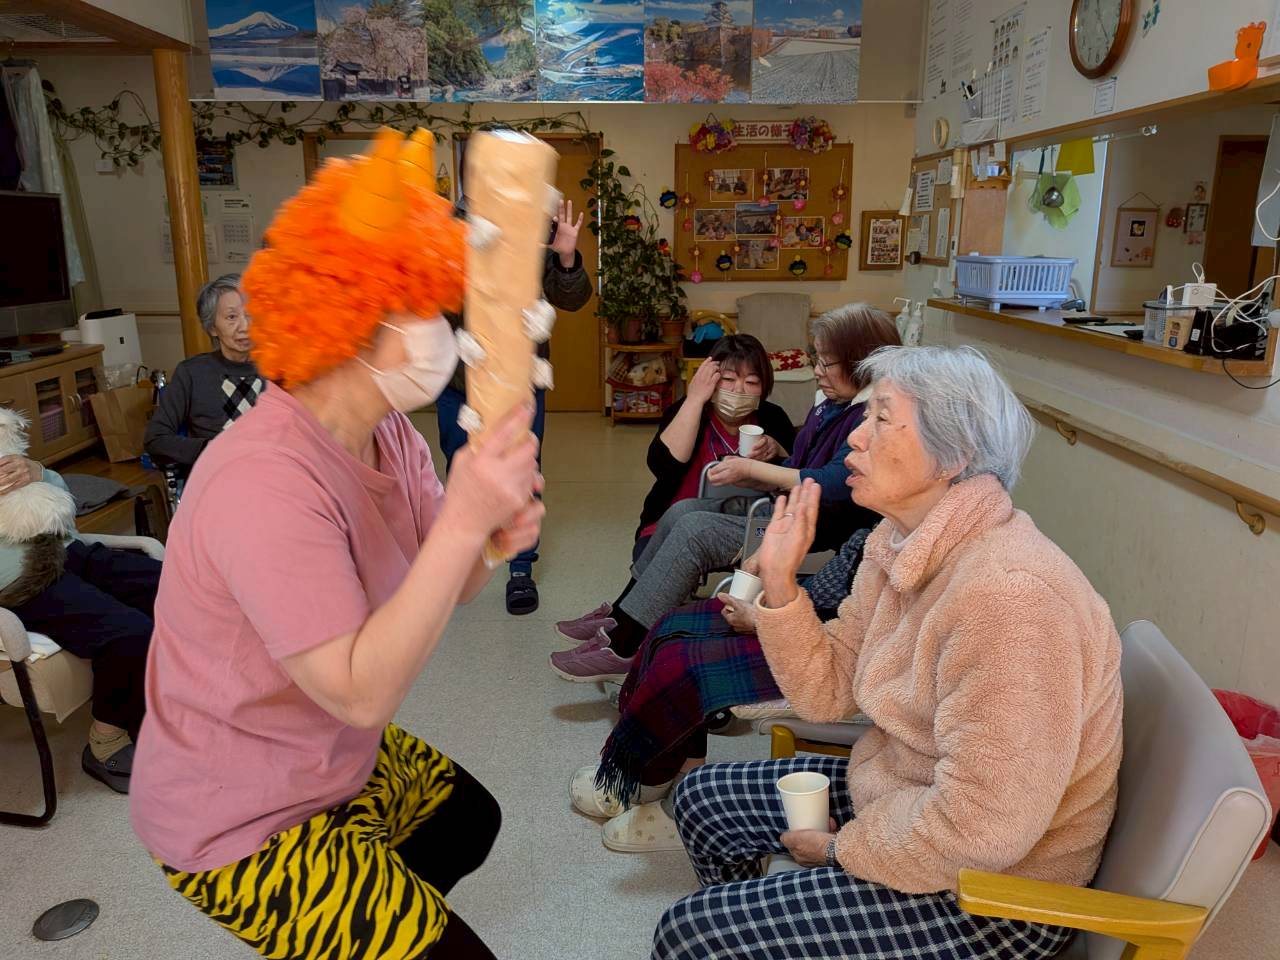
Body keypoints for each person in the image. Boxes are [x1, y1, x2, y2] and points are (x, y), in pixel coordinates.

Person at [130, 129, 543, 960]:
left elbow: (449, 581)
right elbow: (360, 693)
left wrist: (489, 542)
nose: (440, 332)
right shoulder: (262, 481)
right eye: (418, 309)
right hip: (240, 816)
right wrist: (465, 522)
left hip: (322, 755)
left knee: (467, 820)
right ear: (350, 321)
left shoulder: (390, 434)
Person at [653, 345, 1123, 960]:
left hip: (995, 894)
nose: (855, 438)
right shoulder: (897, 542)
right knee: (701, 800)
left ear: (953, 456)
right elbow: (827, 693)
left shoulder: (1011, 598)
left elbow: (984, 830)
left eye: (880, 419)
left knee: (691, 935)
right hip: (903, 795)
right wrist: (782, 586)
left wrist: (841, 850)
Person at [550, 303, 899, 683]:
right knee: (682, 511)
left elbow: (832, 482)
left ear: (862, 362)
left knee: (696, 531)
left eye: (826, 363)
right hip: (786, 509)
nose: (817, 370)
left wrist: (754, 469)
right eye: (817, 360)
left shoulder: (869, 417)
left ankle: (625, 647)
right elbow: (798, 467)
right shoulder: (830, 406)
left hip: (809, 526)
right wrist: (766, 470)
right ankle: (622, 618)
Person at [568, 527, 871, 852]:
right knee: (672, 625)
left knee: (687, 668)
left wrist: (766, 620)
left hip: (832, 648)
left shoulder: (906, 553)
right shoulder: (885, 533)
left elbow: (859, 645)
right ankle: (665, 773)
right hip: (816, 610)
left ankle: (669, 805)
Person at [556, 334, 794, 646]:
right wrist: (694, 400)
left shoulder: (772, 418)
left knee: (689, 527)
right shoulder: (688, 410)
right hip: (670, 519)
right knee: (675, 524)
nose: (738, 391)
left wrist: (777, 449)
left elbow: (797, 475)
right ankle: (618, 616)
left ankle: (620, 628)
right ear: (710, 379)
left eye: (751, 382)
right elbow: (662, 466)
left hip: (735, 525)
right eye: (728, 380)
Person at [436, 198, 589, 617]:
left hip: (519, 381)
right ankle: (463, 557)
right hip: (460, 380)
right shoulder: (446, 229)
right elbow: (426, 297)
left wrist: (566, 257)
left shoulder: (531, 228)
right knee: (461, 468)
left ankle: (520, 567)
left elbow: (572, 298)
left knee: (522, 469)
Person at [0, 451, 159, 794]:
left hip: (68, 549)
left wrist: (38, 473)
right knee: (130, 632)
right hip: (20, 581)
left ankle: (180, 704)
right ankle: (107, 743)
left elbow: (62, 504)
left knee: (180, 587)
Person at [143, 274, 264, 475]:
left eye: (250, 314)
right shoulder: (192, 373)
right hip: (215, 475)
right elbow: (156, 439)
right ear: (212, 327)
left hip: (272, 473)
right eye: (231, 317)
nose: (245, 327)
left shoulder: (279, 370)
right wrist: (212, 449)